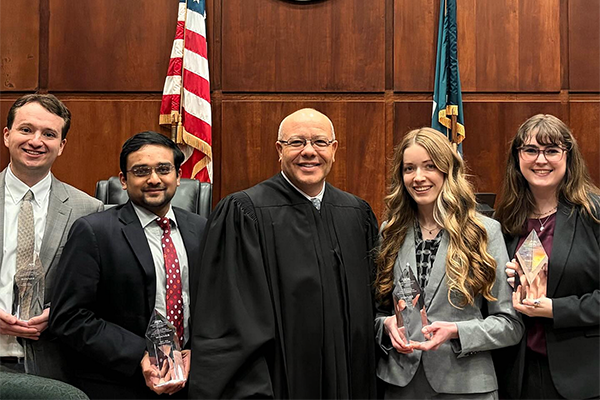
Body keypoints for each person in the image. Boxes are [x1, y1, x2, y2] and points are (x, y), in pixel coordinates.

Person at [188, 108, 379, 399]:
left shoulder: (355, 214)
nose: (309, 152)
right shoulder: (244, 213)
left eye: (320, 142)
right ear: (279, 150)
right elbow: (230, 322)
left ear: (334, 149)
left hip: (350, 382)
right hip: (278, 385)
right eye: (296, 142)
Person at [49, 131, 207, 399]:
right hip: (119, 383)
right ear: (124, 180)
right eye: (141, 171)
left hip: (192, 382)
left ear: (179, 176)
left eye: (164, 169)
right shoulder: (94, 231)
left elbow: (216, 305)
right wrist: (140, 356)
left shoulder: (202, 229)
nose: (154, 179)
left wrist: (199, 351)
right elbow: (69, 317)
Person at [374, 127, 523, 399]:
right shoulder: (390, 231)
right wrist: (385, 326)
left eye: (429, 166)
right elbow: (374, 312)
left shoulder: (484, 231)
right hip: (401, 386)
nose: (418, 177)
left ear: (448, 171)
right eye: (409, 168)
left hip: (467, 387)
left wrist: (456, 331)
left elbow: (510, 326)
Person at [494, 114, 600, 400]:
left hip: (584, 377)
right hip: (517, 375)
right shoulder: (503, 220)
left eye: (551, 150)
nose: (541, 159)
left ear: (568, 156)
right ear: (518, 156)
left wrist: (555, 309)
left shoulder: (594, 214)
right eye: (530, 150)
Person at [0, 94, 103, 379]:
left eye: (49, 134)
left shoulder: (89, 211)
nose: (36, 141)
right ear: (7, 136)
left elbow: (100, 292)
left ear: (61, 146)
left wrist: (60, 312)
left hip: (53, 364)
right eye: (26, 129)